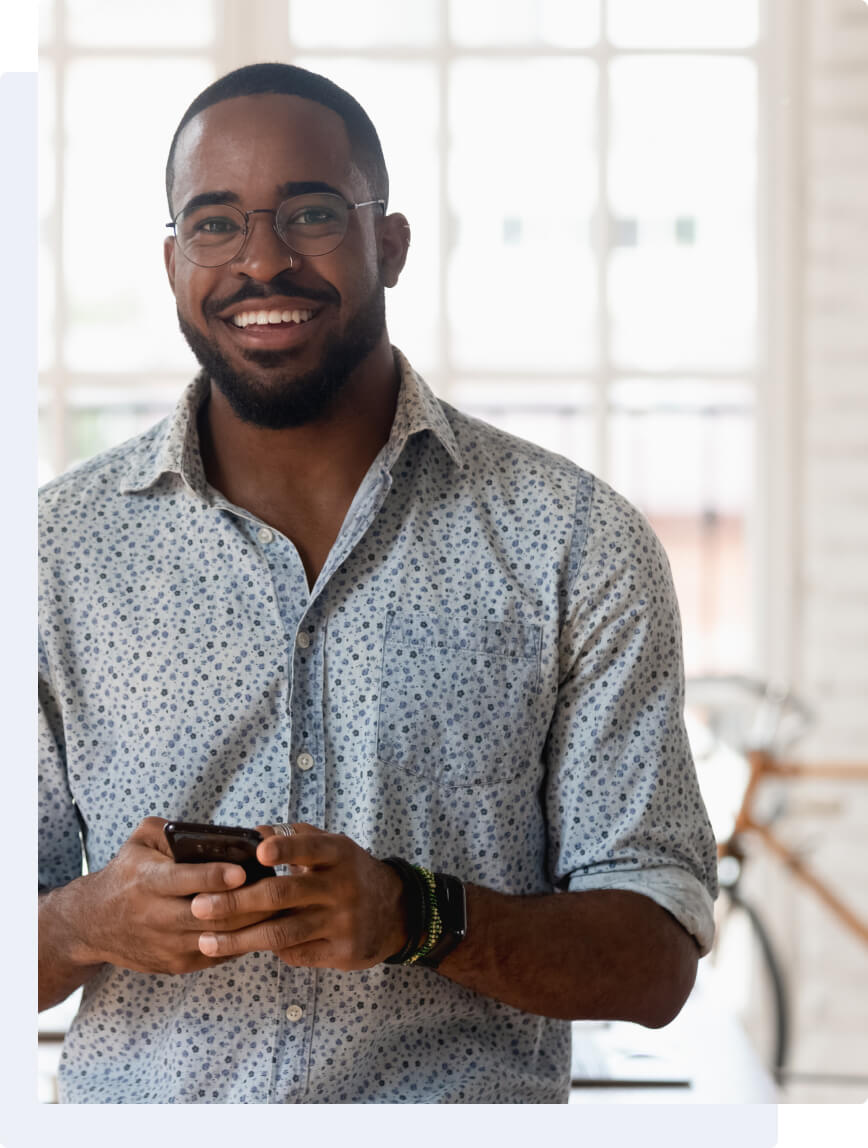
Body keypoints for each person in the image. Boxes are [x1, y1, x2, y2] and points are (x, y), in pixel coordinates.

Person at [38, 62, 718, 1104]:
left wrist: (417, 915)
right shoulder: (50, 555)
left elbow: (655, 954)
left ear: (388, 243)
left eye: (309, 212)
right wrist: (89, 920)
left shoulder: (571, 541)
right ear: (175, 261)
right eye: (216, 224)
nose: (262, 260)